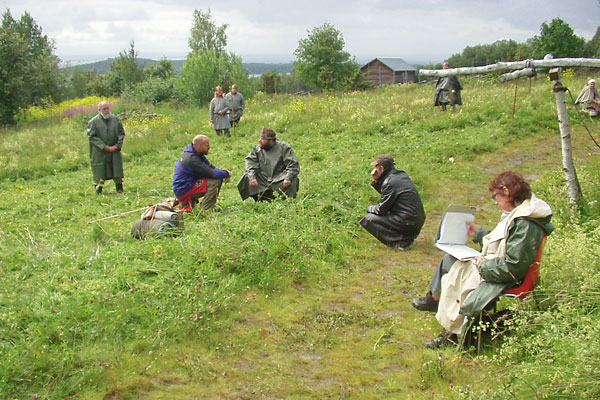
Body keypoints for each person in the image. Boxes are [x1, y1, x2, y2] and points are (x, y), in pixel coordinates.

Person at [411, 171, 554, 348]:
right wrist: (477, 233)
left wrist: (483, 265)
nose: (495, 201)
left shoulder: (525, 223)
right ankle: (436, 302)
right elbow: (502, 242)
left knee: (457, 276)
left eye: (496, 196)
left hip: (503, 273)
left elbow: (513, 266)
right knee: (451, 261)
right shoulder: (518, 213)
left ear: (506, 191)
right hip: (495, 263)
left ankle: (452, 335)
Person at [360, 155, 426, 250]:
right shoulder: (401, 175)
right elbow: (388, 196)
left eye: (376, 167)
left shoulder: (390, 182)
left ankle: (400, 243)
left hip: (408, 221)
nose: (374, 169)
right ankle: (406, 238)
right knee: (386, 213)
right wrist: (377, 180)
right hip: (416, 219)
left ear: (381, 168)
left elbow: (381, 210)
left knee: (368, 219)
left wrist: (369, 208)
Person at [237, 128, 300, 201]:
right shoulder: (257, 149)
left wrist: (288, 178)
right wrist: (252, 178)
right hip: (263, 178)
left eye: (263, 139)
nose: (260, 141)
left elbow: (293, 165)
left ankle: (287, 199)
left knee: (293, 178)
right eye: (260, 138)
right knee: (246, 176)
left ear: (271, 141)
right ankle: (259, 198)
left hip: (279, 178)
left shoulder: (284, 148)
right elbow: (250, 163)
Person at [172, 134, 231, 211]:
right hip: (184, 190)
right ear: (199, 146)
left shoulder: (195, 154)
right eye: (207, 145)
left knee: (214, 178)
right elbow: (212, 173)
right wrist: (226, 173)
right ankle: (206, 209)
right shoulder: (192, 159)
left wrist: (223, 173)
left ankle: (187, 204)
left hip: (185, 186)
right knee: (216, 181)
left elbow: (210, 167)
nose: (209, 148)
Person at [87, 101, 125, 194]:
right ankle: (98, 191)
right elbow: (92, 136)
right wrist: (104, 147)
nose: (107, 111)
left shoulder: (116, 120)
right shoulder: (93, 122)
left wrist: (117, 145)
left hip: (114, 150)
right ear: (99, 110)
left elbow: (121, 133)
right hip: (100, 152)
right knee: (100, 172)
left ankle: (119, 190)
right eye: (104, 109)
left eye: (108, 108)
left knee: (116, 170)